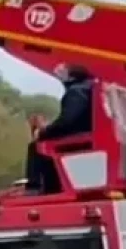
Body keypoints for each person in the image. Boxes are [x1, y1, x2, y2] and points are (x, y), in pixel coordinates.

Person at [24, 64, 95, 194]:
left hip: (81, 139)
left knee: (37, 145)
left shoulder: (77, 92)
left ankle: (37, 187)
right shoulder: (89, 87)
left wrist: (44, 130)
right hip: (86, 134)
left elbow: (67, 122)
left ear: (71, 77)